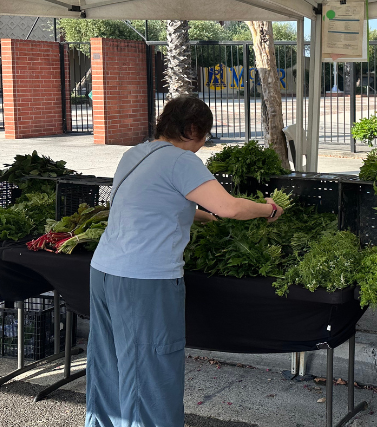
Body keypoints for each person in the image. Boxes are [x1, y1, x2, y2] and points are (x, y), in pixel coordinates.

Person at [86, 95, 285, 427]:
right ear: (193, 129)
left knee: (110, 364)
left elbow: (149, 205)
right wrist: (269, 210)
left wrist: (203, 217)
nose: (204, 143)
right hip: (144, 281)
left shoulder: (135, 154)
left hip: (105, 272)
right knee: (149, 371)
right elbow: (232, 207)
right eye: (205, 135)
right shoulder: (181, 161)